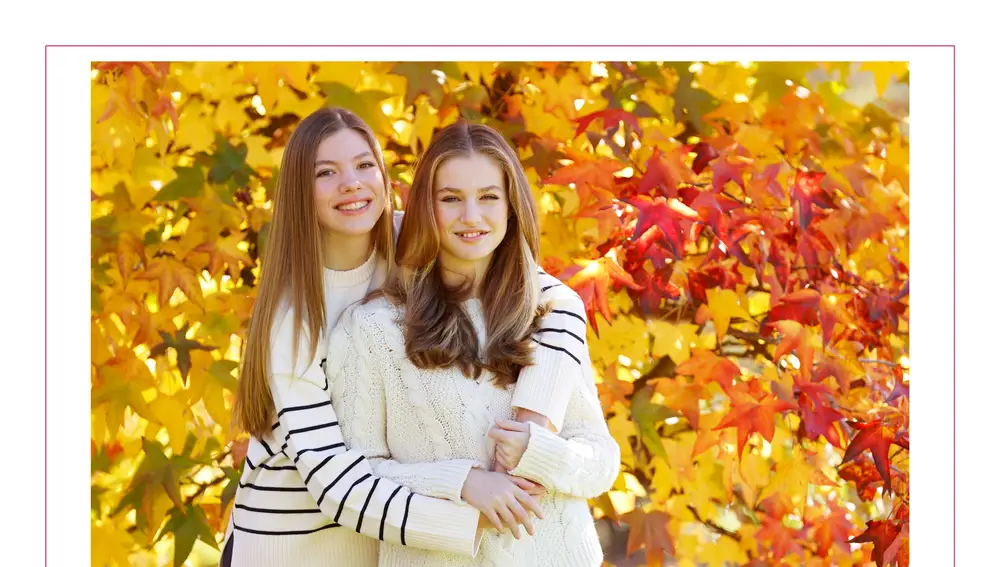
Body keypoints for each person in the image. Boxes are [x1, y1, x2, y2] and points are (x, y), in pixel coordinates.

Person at [222, 108, 545, 567]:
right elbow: (335, 483)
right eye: (326, 172)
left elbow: (543, 292)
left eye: (364, 165)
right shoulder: (293, 321)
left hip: (381, 544)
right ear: (299, 191)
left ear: (384, 175)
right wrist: (472, 508)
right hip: (290, 546)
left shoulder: (412, 241)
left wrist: (537, 420)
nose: (351, 183)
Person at [326, 121, 621, 566]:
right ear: (426, 208)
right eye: (451, 199)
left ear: (511, 207)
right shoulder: (372, 329)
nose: (471, 216)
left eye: (488, 197)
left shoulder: (549, 315)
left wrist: (541, 452)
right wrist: (464, 483)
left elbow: (600, 460)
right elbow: (358, 480)